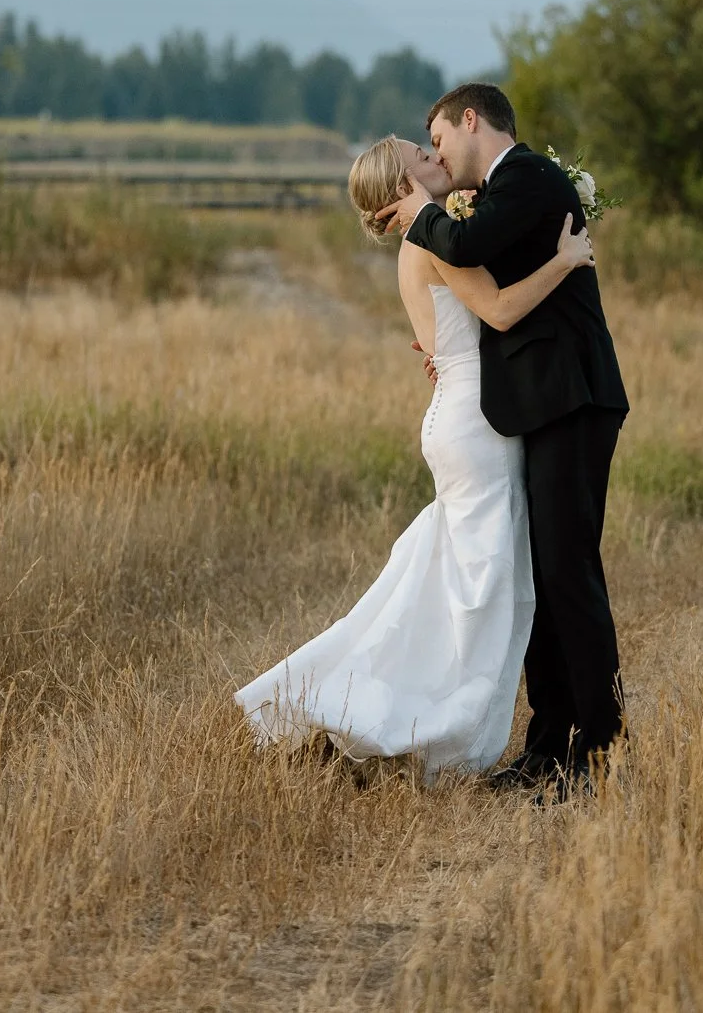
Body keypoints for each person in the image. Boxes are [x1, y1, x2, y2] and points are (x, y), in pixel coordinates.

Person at [234, 133, 596, 781]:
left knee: (449, 581)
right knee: (478, 590)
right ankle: (389, 718)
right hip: (474, 426)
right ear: (403, 185)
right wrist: (567, 258)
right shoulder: (430, 237)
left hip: (460, 416)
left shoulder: (424, 239)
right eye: (419, 157)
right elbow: (504, 311)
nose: (434, 159)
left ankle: (373, 705)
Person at [375, 83, 629, 798]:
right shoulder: (503, 190)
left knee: (569, 575)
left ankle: (599, 750)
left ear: (470, 120)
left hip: (574, 403)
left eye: (440, 139)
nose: (438, 154)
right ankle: (549, 747)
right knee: (545, 579)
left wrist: (423, 211)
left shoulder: (527, 177)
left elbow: (467, 245)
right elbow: (491, 297)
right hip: (540, 407)